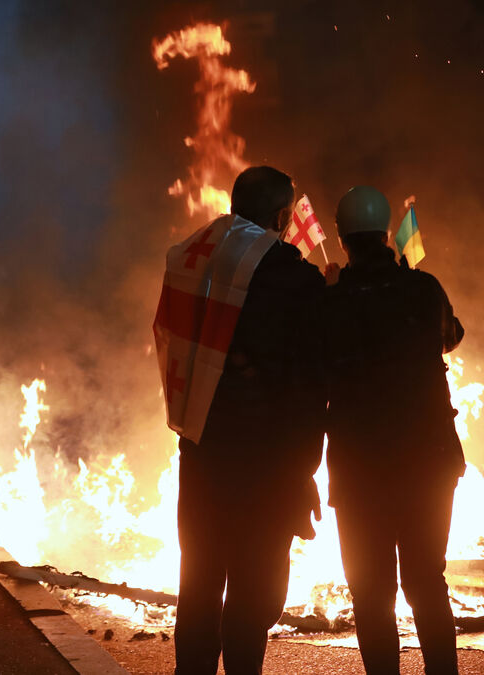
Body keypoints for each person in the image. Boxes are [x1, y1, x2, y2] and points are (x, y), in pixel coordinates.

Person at [153, 166, 326, 675]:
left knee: (200, 581)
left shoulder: (191, 257)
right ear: (282, 215)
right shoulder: (292, 276)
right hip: (264, 464)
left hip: (201, 450)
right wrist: (302, 473)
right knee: (256, 591)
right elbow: (307, 387)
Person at [320, 186, 465, 675]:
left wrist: (332, 293)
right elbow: (451, 336)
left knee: (371, 593)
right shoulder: (423, 288)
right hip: (429, 461)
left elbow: (314, 366)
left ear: (343, 240)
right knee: (426, 582)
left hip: (360, 469)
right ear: (386, 235)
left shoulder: (331, 302)